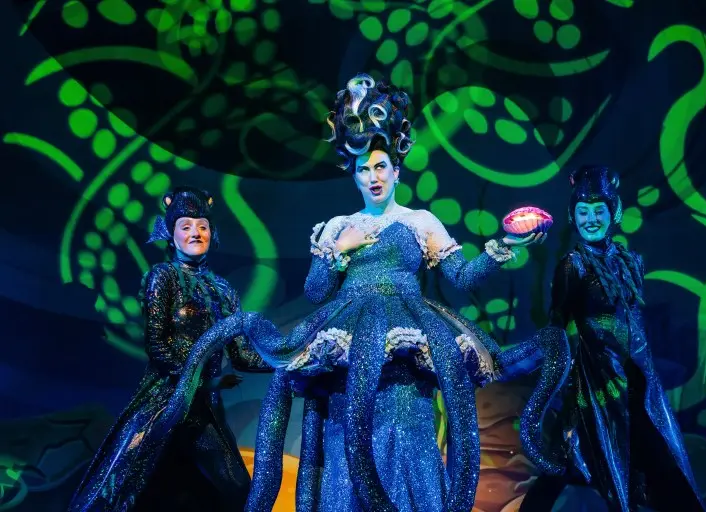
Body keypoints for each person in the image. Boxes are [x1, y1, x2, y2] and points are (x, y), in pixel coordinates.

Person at [151, 73, 546, 512]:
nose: (372, 177)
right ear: (353, 174)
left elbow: (464, 277)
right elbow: (316, 291)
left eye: (380, 167)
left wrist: (505, 246)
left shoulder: (420, 221)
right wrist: (338, 252)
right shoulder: (338, 226)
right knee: (348, 440)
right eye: (363, 169)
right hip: (350, 343)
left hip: (405, 343)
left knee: (408, 437)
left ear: (396, 169)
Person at [68, 187, 272, 511]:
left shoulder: (224, 290)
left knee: (236, 488)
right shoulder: (163, 276)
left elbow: (242, 355)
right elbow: (158, 345)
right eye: (186, 226)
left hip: (205, 410)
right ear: (171, 234)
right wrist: (200, 378)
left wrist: (292, 360)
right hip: (163, 403)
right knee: (135, 490)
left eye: (202, 226)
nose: (196, 233)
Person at [517, 166, 706, 512]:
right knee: (574, 461)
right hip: (596, 384)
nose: (591, 219)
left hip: (639, 379)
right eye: (583, 212)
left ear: (613, 212)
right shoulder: (573, 266)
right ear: (573, 216)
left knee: (660, 458)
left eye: (598, 210)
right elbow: (557, 323)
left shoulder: (630, 261)